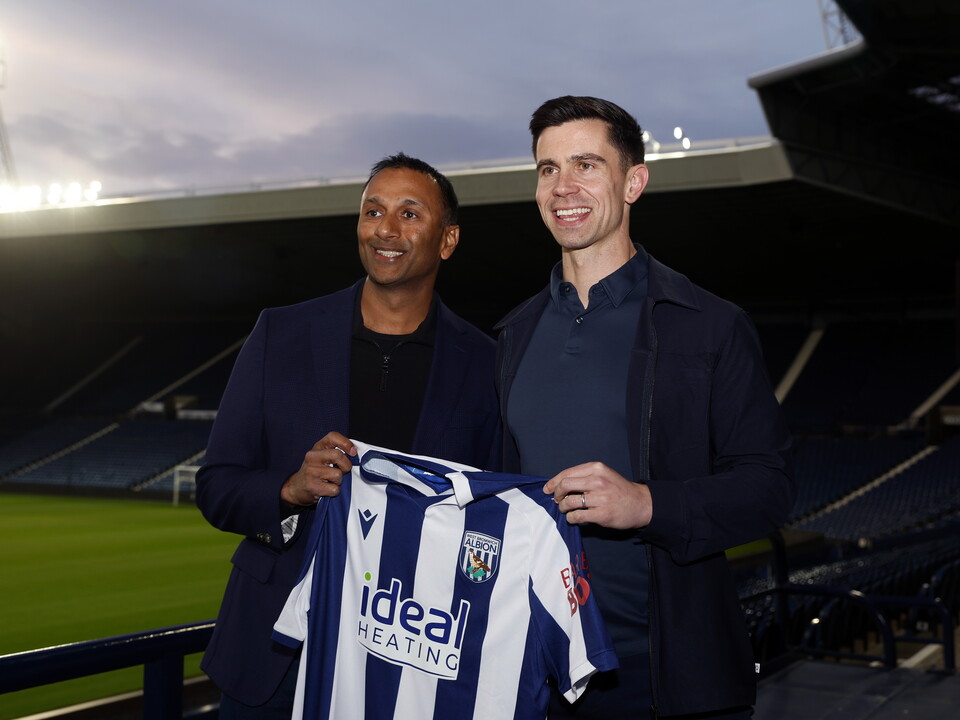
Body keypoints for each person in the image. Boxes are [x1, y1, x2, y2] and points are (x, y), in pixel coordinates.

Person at [494, 96, 794, 719]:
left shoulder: (709, 325)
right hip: (536, 673)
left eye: (585, 165)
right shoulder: (512, 335)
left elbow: (768, 487)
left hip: (666, 677)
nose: (562, 187)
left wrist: (647, 504)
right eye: (548, 169)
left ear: (633, 181)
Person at [196, 152, 501, 718]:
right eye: (373, 211)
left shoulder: (486, 364)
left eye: (410, 214)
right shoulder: (280, 333)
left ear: (448, 239)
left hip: (407, 655)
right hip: (272, 658)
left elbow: (491, 517)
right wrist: (289, 489)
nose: (386, 229)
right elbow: (216, 488)